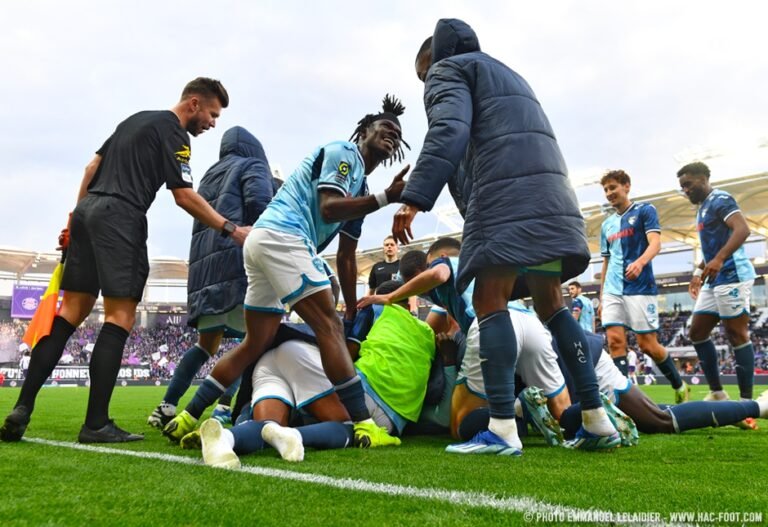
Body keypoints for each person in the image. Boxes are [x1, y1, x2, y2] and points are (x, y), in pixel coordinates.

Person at [392, 19, 618, 453]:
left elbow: (449, 130)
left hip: (507, 198)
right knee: (552, 303)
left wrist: (415, 198)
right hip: (548, 200)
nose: (424, 82)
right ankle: (595, 417)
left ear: (436, 57)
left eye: (424, 73)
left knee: (487, 301)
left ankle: (500, 426)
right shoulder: (509, 75)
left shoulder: (449, 70)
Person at [0, 77, 247, 444]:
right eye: (212, 114)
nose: (212, 123)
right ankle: (96, 424)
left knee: (71, 312)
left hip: (87, 212)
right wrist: (231, 229)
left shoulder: (133, 120)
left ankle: (23, 406)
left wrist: (73, 220)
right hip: (122, 216)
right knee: (120, 316)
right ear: (193, 104)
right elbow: (183, 195)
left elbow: (89, 169)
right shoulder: (174, 134)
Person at [163, 96, 411, 448]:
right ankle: (365, 424)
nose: (392, 136)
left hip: (264, 241)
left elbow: (347, 255)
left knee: (256, 342)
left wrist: (353, 306)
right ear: (365, 131)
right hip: (285, 236)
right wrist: (388, 198)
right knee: (327, 327)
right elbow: (327, 208)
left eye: (398, 135)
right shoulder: (345, 153)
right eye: (386, 128)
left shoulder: (362, 189)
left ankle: (189, 415)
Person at [359, 239, 577, 453]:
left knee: (457, 425)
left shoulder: (444, 263)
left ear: (436, 257)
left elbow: (437, 275)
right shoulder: (482, 267)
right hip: (529, 322)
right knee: (563, 415)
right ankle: (595, 415)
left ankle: (519, 408)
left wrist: (391, 296)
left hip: (490, 323)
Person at [192, 280, 435, 467]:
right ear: (409, 303)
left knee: (269, 425)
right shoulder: (427, 333)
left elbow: (346, 352)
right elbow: (434, 390)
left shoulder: (374, 311)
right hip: (383, 408)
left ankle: (226, 438)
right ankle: (294, 435)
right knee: (350, 426)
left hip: (273, 357)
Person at [147, 126, 275, 429]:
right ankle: (222, 408)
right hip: (236, 266)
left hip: (204, 273)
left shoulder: (209, 175)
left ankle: (166, 405)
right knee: (252, 343)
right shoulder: (253, 166)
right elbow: (262, 209)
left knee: (206, 344)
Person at [598, 169, 689, 403]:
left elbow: (656, 243)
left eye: (613, 187)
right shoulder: (607, 225)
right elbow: (606, 261)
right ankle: (623, 400)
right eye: (606, 189)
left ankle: (679, 384)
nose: (609, 193)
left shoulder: (644, 211)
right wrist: (601, 296)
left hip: (639, 286)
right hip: (611, 290)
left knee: (647, 345)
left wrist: (640, 262)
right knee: (615, 342)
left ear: (626, 186)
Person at [677, 162, 757, 406]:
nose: (686, 190)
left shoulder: (721, 199)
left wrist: (720, 259)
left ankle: (746, 403)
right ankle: (718, 393)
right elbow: (713, 248)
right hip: (714, 279)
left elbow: (743, 230)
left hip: (733, 274)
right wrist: (698, 271)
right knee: (697, 333)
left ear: (704, 178)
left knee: (736, 333)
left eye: (688, 185)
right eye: (682, 187)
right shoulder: (702, 208)